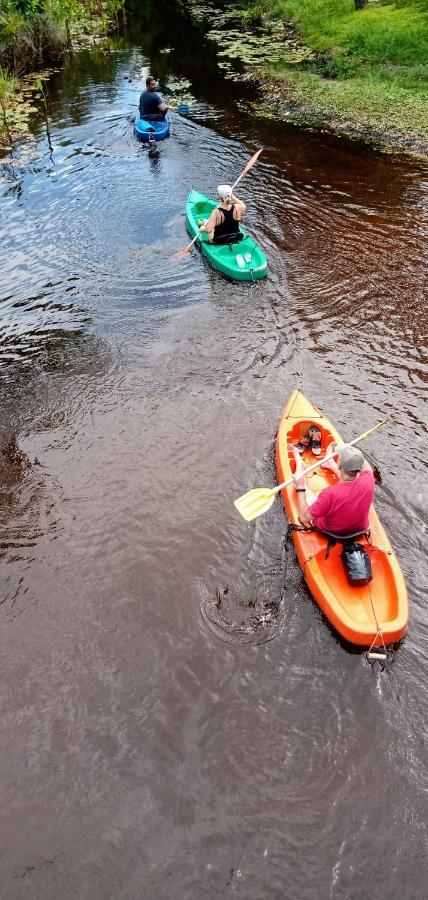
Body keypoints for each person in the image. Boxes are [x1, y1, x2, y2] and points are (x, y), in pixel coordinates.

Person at [289, 442, 375, 534]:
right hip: (357, 529)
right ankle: (330, 463)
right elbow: (365, 465)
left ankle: (300, 465)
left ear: (339, 464)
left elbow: (303, 517)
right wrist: (349, 451)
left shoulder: (330, 493)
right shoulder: (369, 479)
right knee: (349, 478)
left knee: (301, 484)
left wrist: (300, 486)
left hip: (329, 531)